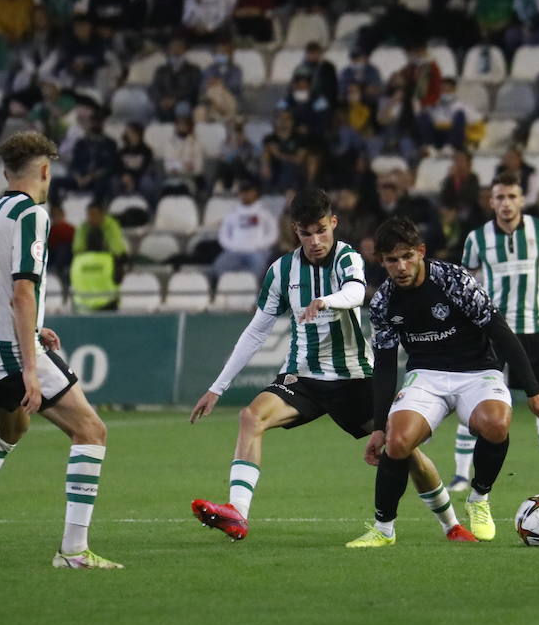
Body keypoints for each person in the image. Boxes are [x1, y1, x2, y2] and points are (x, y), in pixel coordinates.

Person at [188, 189, 475, 544]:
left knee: (404, 449)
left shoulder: (347, 258)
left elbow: (357, 293)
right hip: (303, 378)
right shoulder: (281, 270)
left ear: (333, 223)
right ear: (296, 230)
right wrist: (218, 387)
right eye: (306, 233)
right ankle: (238, 514)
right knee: (250, 417)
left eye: (321, 230)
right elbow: (256, 332)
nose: (315, 241)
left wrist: (325, 301)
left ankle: (451, 525)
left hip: (355, 379)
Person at [0, 130, 121, 570]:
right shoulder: (32, 215)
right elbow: (20, 292)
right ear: (45, 170)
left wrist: (35, 326)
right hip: (8, 349)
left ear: (4, 172)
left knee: (11, 431)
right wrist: (31, 369)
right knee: (91, 431)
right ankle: (73, 551)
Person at [352, 217, 539, 547]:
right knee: (397, 441)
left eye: (407, 256)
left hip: (477, 372)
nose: (401, 266)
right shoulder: (382, 303)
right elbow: (386, 366)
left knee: (495, 424)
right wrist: (379, 426)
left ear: (421, 251)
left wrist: (534, 391)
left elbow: (500, 331)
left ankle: (478, 498)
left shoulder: (453, 280)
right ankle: (384, 530)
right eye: (392, 260)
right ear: (382, 261)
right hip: (427, 377)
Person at [456, 170, 539, 493]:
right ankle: (461, 474)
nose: (506, 203)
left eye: (512, 196)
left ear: (521, 199)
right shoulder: (476, 239)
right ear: (491, 201)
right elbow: (464, 283)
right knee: (475, 402)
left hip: (532, 328)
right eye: (500, 197)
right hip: (493, 331)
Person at [211, 178, 278, 281]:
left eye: (248, 192)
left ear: (255, 193)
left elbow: (273, 233)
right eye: (243, 192)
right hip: (235, 251)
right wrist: (232, 246)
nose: (245, 194)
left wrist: (260, 245)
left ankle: (254, 291)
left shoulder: (264, 212)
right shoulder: (232, 212)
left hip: (257, 251)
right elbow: (223, 234)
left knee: (259, 270)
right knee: (219, 267)